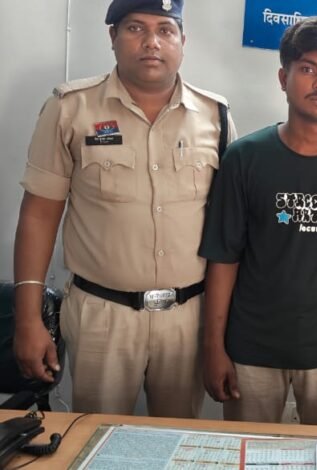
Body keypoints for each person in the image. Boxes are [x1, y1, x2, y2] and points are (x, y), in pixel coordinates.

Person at [13, 0, 236, 418]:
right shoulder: (70, 108)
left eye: (165, 30)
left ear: (182, 41)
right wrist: (28, 319)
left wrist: (221, 330)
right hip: (102, 316)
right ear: (112, 37)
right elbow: (39, 214)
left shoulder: (215, 116)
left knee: (177, 439)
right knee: (92, 434)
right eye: (135, 28)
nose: (152, 42)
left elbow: (229, 229)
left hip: (189, 317)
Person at [199, 17, 317, 426]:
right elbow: (224, 259)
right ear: (284, 77)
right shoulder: (244, 158)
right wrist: (213, 347)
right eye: (308, 69)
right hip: (251, 350)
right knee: (247, 451)